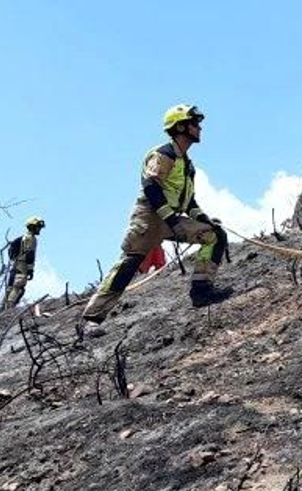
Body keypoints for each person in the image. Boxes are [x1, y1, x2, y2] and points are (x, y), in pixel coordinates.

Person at [81, 104, 230, 329]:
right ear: (180, 126)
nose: (199, 128)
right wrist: (169, 217)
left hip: (170, 219)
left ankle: (201, 291)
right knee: (128, 266)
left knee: (215, 236)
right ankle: (91, 319)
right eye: (195, 123)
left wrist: (203, 219)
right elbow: (151, 186)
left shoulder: (187, 165)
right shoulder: (164, 154)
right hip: (148, 218)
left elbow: (188, 202)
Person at [2, 216, 46, 309]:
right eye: (38, 227)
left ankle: (1, 310)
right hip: (22, 267)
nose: (39, 229)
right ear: (32, 227)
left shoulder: (21, 238)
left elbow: (12, 251)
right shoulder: (31, 238)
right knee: (18, 288)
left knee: (10, 288)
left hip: (15, 265)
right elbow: (30, 254)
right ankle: (9, 310)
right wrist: (30, 269)